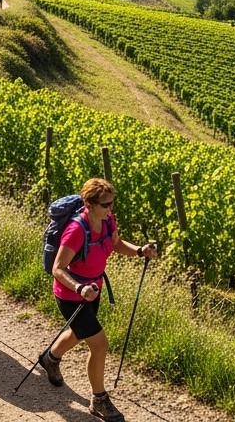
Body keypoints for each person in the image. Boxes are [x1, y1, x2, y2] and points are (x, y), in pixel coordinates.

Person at [36, 178, 157, 421]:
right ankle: (99, 400)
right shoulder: (76, 230)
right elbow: (58, 268)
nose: (110, 209)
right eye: (105, 204)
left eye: (112, 203)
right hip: (71, 294)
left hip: (94, 289)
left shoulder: (107, 220)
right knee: (99, 343)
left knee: (80, 332)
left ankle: (50, 359)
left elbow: (115, 243)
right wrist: (79, 288)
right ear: (88, 204)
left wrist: (139, 250)